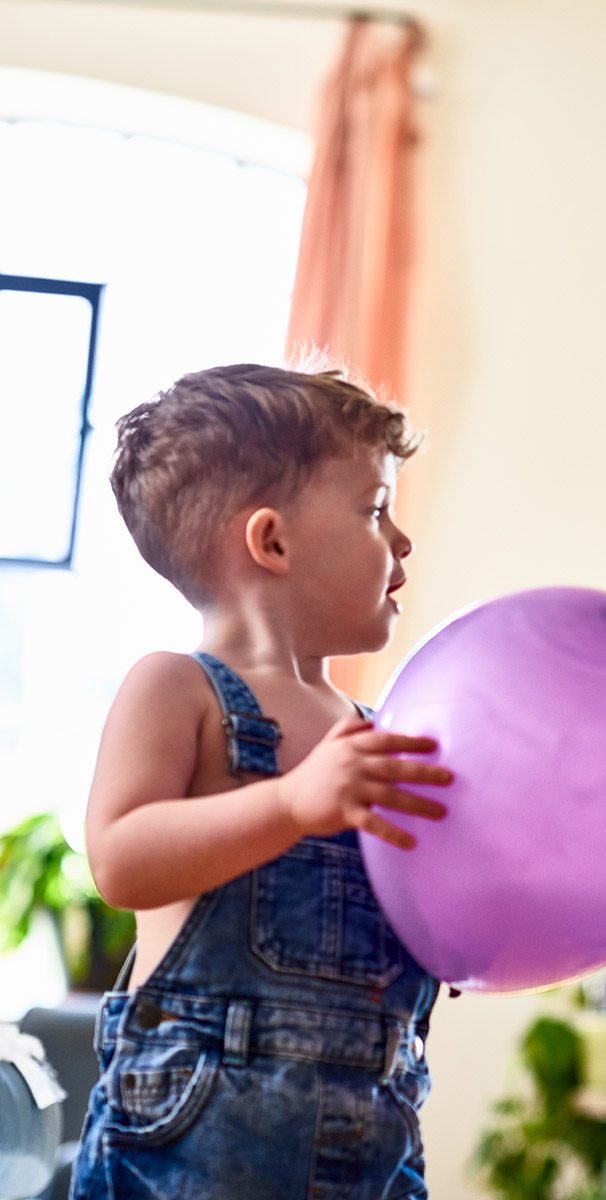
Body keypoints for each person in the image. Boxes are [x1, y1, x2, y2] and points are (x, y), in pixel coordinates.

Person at [71, 364, 454, 1200]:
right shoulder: (179, 689)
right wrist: (288, 803)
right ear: (272, 541)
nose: (404, 539)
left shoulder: (380, 731)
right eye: (375, 508)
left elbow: (445, 922)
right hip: (196, 1141)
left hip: (378, 1137)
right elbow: (121, 858)